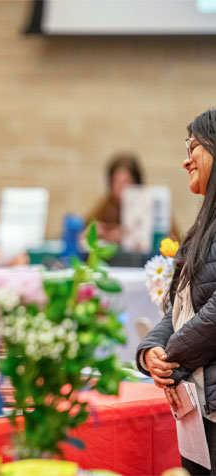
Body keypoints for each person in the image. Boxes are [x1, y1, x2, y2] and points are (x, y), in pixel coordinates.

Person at [136, 108, 216, 474]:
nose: (186, 161)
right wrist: (150, 350)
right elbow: (177, 306)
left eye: (193, 146)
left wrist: (169, 357)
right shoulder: (203, 227)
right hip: (198, 405)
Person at [86, 152, 144, 243]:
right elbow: (83, 230)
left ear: (137, 184)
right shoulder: (107, 205)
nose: (121, 188)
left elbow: (171, 240)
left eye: (126, 182)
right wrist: (92, 233)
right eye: (116, 182)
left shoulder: (150, 204)